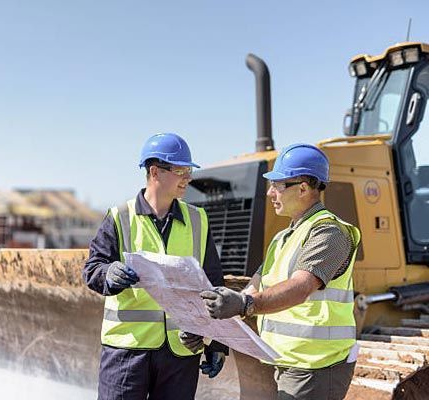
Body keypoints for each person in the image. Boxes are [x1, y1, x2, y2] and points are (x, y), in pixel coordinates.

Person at [200, 143, 361, 400]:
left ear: (303, 188)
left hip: (316, 366)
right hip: (288, 362)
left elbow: (300, 287)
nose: (271, 193)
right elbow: (252, 289)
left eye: (277, 185)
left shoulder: (328, 232)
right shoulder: (283, 238)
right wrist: (217, 335)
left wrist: (244, 304)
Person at [83, 132, 228, 400]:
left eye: (189, 170)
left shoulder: (198, 220)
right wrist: (109, 273)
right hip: (127, 351)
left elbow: (213, 283)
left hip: (181, 351)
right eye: (181, 170)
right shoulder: (120, 217)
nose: (189, 177)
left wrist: (217, 340)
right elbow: (92, 269)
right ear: (155, 172)